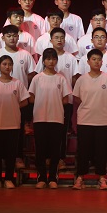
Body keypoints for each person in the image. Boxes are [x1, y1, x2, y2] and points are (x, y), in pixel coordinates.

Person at [0, 24, 36, 169]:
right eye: (8, 36)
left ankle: (17, 157)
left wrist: (21, 85)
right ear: (3, 38)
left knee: (18, 130)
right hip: (1, 100)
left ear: (18, 37)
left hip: (19, 98)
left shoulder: (25, 54)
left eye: (14, 36)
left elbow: (31, 73)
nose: (12, 38)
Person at [71, 49, 107, 191]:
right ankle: (80, 177)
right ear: (88, 62)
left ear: (102, 62)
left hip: (103, 120)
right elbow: (77, 98)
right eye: (94, 59)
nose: (97, 62)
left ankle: (102, 177)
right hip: (85, 120)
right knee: (83, 150)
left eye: (99, 59)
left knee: (101, 151)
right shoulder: (81, 79)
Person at [34, 27, 79, 170]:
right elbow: (37, 75)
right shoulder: (44, 57)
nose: (59, 40)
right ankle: (46, 158)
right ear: (51, 40)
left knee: (61, 132)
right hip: (44, 103)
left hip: (64, 100)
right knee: (44, 134)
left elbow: (74, 78)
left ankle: (60, 158)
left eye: (62, 37)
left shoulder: (71, 58)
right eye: (56, 37)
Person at [0, 55, 30, 189]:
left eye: (10, 64)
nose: (7, 67)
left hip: (13, 123)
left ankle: (9, 178)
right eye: (4, 64)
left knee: (11, 153)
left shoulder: (17, 83)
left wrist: (12, 106)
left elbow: (25, 101)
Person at [28, 48, 72, 189]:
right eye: (48, 59)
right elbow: (31, 98)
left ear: (56, 61)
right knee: (40, 149)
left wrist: (54, 103)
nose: (51, 61)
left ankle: (53, 177)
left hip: (56, 118)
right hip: (40, 118)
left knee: (55, 150)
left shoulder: (61, 78)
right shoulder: (37, 78)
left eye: (53, 59)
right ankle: (41, 177)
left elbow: (65, 99)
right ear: (43, 61)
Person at [77, 27, 107, 136]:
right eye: (96, 37)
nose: (99, 39)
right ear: (92, 40)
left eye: (102, 37)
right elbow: (80, 79)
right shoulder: (84, 59)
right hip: (88, 101)